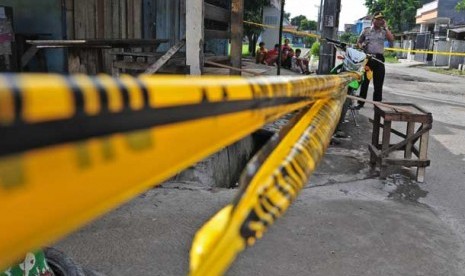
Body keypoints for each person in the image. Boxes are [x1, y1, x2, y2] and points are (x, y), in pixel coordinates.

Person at [355, 11, 394, 109]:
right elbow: (359, 42)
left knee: (378, 83)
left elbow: (391, 39)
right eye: (378, 19)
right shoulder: (366, 31)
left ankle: (377, 105)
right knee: (365, 82)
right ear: (373, 20)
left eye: (382, 19)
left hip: (379, 60)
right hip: (368, 59)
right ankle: (361, 103)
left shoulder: (384, 31)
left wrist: (386, 27)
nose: (380, 21)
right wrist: (361, 46)